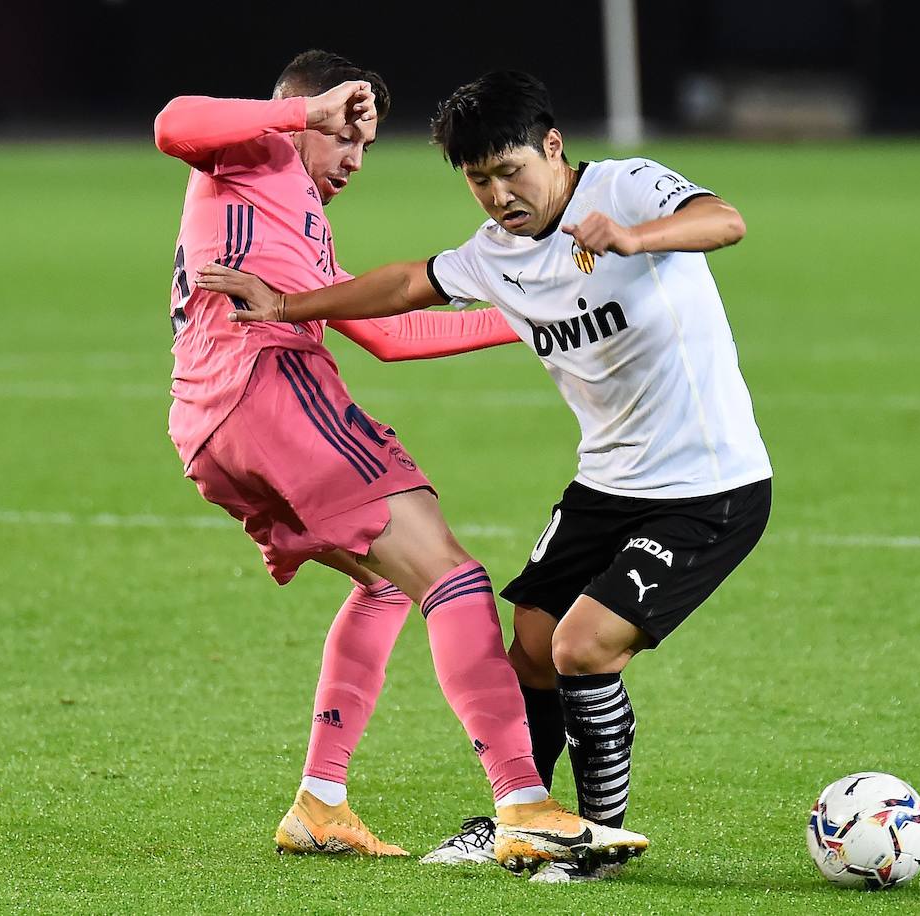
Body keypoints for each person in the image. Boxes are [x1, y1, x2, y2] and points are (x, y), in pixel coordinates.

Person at [194, 70, 773, 883]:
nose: (501, 194)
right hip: (606, 484)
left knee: (579, 648)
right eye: (479, 180)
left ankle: (591, 838)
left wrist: (636, 239)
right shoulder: (494, 254)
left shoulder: (626, 186)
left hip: (707, 488)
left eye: (513, 171)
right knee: (530, 649)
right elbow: (402, 285)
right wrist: (286, 307)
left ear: (554, 147)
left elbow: (726, 220)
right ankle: (520, 815)